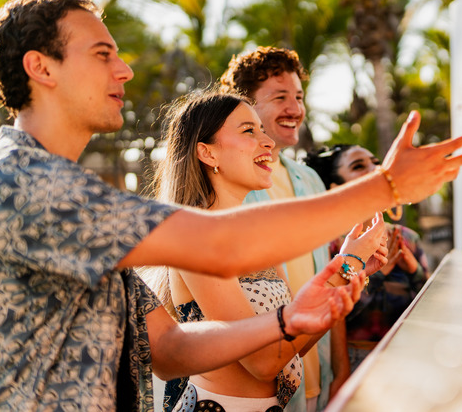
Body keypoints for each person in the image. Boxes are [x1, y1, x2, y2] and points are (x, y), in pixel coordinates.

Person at [0, 0, 462, 411]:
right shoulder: (23, 183)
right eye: (102, 54)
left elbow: (171, 346)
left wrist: (287, 319)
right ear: (41, 68)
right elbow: (222, 245)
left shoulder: (66, 192)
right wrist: (387, 186)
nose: (125, 71)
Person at [139, 90, 386, 411]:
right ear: (207, 153)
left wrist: (353, 274)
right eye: (248, 131)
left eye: (263, 130)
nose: (268, 142)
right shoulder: (196, 240)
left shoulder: (256, 240)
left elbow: (289, 346)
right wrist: (345, 265)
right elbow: (264, 363)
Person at [218, 47, 347, 412]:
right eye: (280, 97)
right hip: (261, 388)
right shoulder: (228, 187)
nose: (295, 109)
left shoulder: (309, 180)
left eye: (299, 97)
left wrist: (340, 370)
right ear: (244, 105)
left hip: (316, 379)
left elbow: (330, 277)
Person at [305, 144, 431, 371]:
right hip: (354, 360)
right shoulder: (332, 245)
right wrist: (379, 274)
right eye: (358, 166)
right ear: (336, 188)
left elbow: (430, 302)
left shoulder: (407, 238)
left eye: (375, 162)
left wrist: (414, 270)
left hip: (408, 356)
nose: (374, 169)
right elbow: (332, 314)